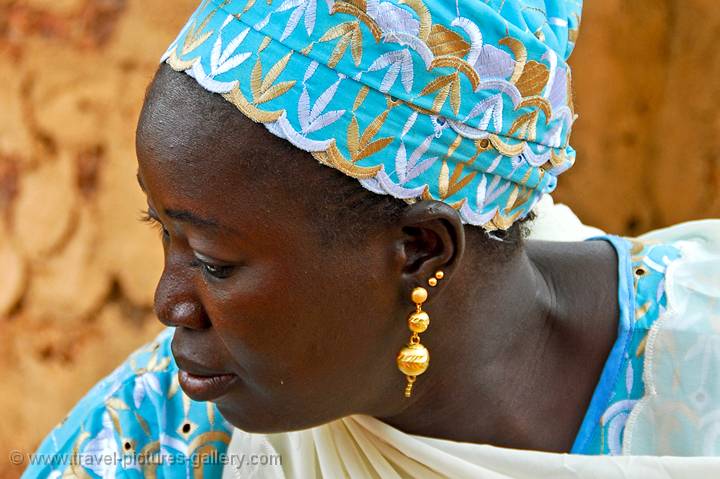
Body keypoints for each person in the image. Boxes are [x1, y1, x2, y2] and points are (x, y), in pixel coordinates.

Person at [24, 0, 720, 477]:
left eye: (214, 262)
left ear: (420, 249)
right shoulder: (159, 436)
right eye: (160, 228)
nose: (170, 302)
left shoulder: (698, 378)